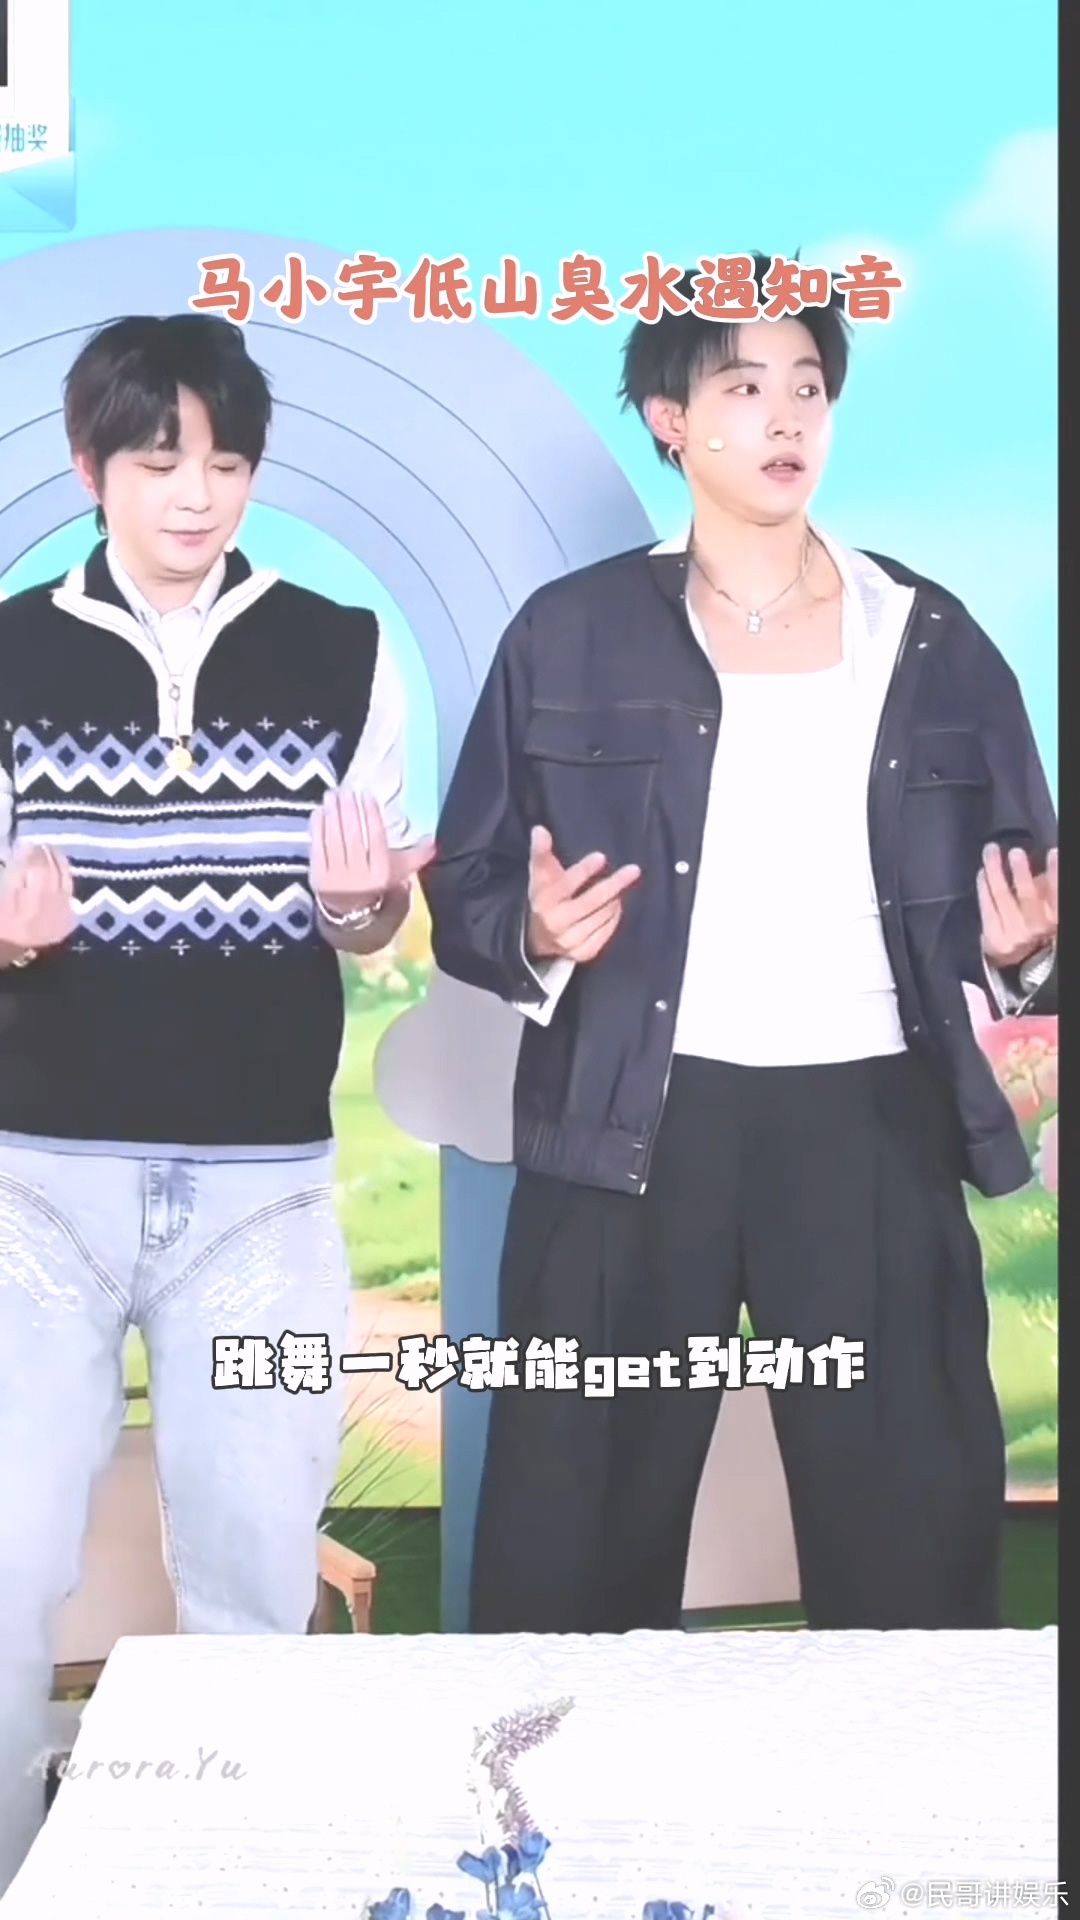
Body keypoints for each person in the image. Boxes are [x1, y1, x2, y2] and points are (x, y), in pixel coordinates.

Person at [422, 258, 1058, 1638]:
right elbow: (468, 883)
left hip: (871, 1124)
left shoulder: (929, 637)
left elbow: (1031, 902)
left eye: (810, 388)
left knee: (908, 1535)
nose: (787, 418)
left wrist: (1023, 959)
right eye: (745, 385)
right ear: (670, 419)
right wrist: (533, 929)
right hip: (628, 1127)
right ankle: (548, 1783)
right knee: (574, 1536)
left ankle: (899, 1781)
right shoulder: (569, 635)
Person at [0, 313, 431, 1889]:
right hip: (34, 1186)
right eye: (159, 458)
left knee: (255, 1569)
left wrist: (366, 909)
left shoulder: (344, 647)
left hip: (262, 1192)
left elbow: (370, 916)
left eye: (228, 462)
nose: (197, 494)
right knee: (6, 1566)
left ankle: (234, 1883)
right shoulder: (8, 649)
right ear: (88, 466)